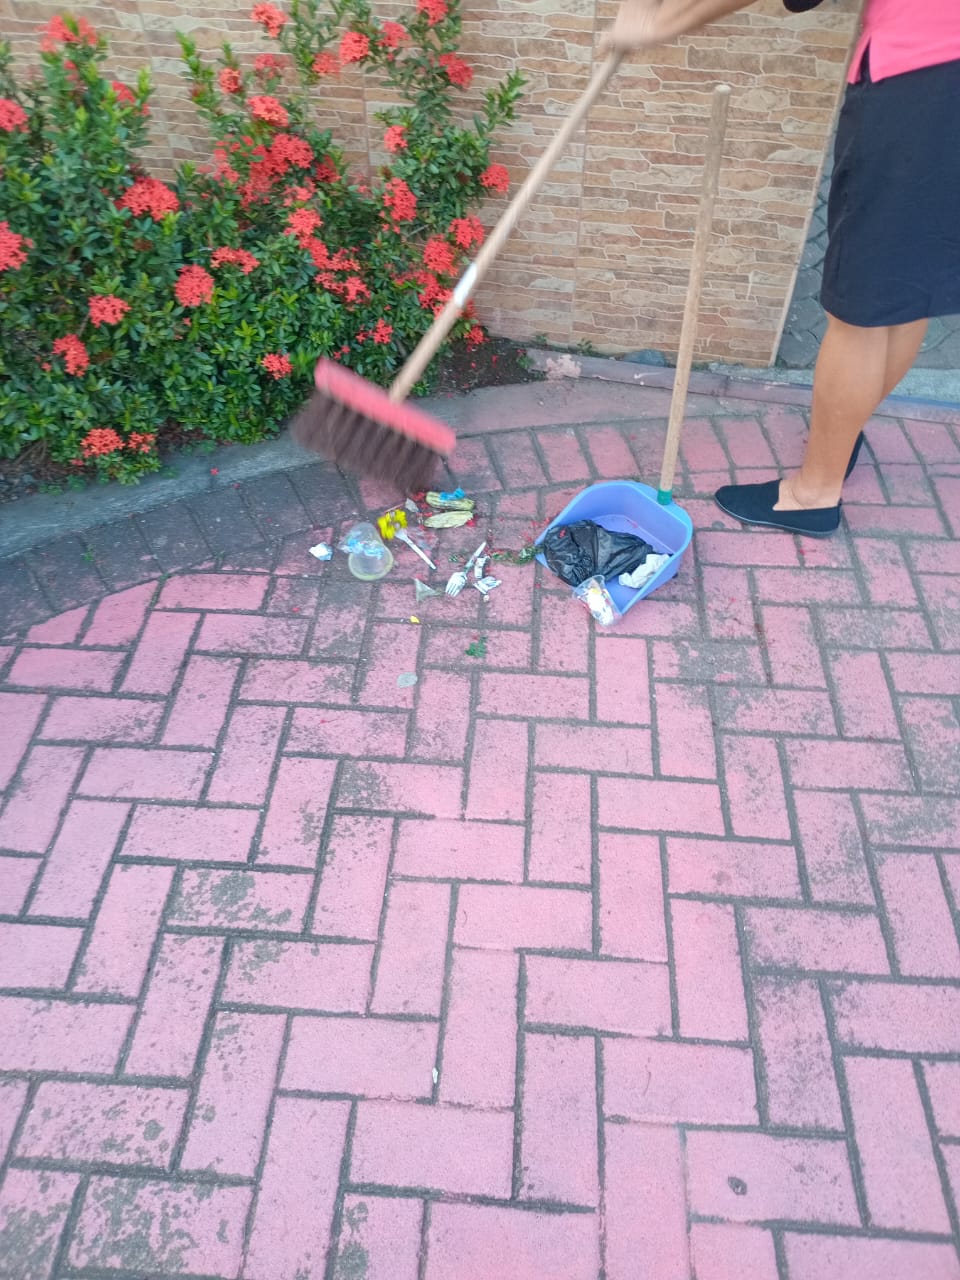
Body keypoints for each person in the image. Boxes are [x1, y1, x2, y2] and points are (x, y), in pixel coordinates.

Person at [603, 0, 960, 536]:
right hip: (942, 77)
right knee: (903, 288)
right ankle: (842, 435)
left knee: (863, 305)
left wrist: (665, 19)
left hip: (925, 76)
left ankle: (813, 494)